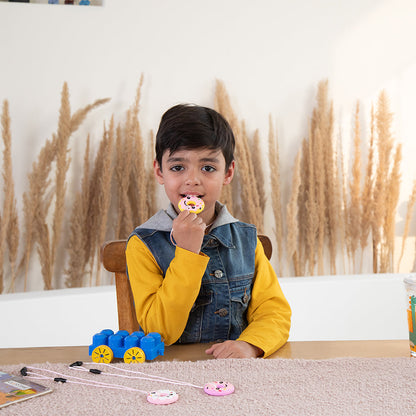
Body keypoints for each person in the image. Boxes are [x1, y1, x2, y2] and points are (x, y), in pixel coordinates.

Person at [126, 104, 291, 358]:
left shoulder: (246, 240)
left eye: (208, 168)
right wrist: (187, 253)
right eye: (178, 167)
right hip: (170, 375)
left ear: (228, 172)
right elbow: (160, 332)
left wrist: (250, 344)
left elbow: (274, 312)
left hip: (236, 373)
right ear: (160, 171)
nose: (192, 180)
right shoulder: (143, 244)